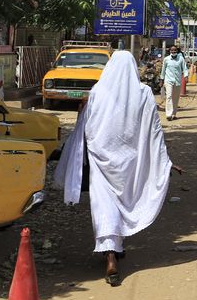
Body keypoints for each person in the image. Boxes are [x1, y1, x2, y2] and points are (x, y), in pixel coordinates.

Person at [54, 51, 182, 287]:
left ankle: (111, 254)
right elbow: (153, 130)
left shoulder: (97, 92)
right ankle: (114, 249)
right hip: (130, 161)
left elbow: (85, 126)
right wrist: (164, 160)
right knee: (125, 200)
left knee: (104, 204)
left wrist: (79, 154)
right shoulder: (144, 93)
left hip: (101, 157)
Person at [160, 46, 187, 121]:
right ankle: (168, 114)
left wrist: (186, 76)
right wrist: (161, 79)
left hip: (177, 81)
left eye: (175, 50)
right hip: (168, 80)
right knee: (169, 96)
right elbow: (163, 70)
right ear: (170, 51)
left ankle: (174, 114)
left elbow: (184, 68)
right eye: (172, 50)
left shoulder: (181, 59)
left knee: (175, 98)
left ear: (177, 51)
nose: (173, 52)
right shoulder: (166, 59)